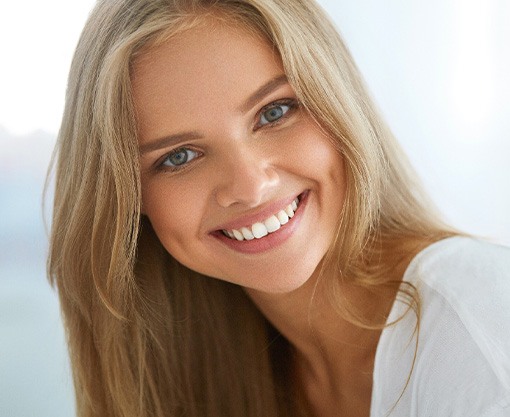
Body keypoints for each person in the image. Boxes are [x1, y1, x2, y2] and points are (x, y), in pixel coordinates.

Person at [47, 0, 510, 416]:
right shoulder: (204, 371)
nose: (249, 187)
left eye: (274, 112)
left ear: (337, 99)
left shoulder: (482, 326)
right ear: (129, 202)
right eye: (179, 157)